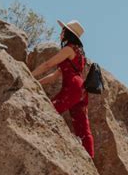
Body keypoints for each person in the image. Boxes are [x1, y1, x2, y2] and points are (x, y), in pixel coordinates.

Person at [32, 20, 94, 158]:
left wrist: (30, 75)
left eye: (62, 31)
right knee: (82, 125)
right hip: (82, 90)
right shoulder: (80, 54)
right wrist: (36, 82)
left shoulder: (68, 49)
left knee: (50, 110)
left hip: (72, 87)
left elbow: (48, 64)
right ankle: (89, 157)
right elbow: (54, 76)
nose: (60, 34)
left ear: (67, 34)